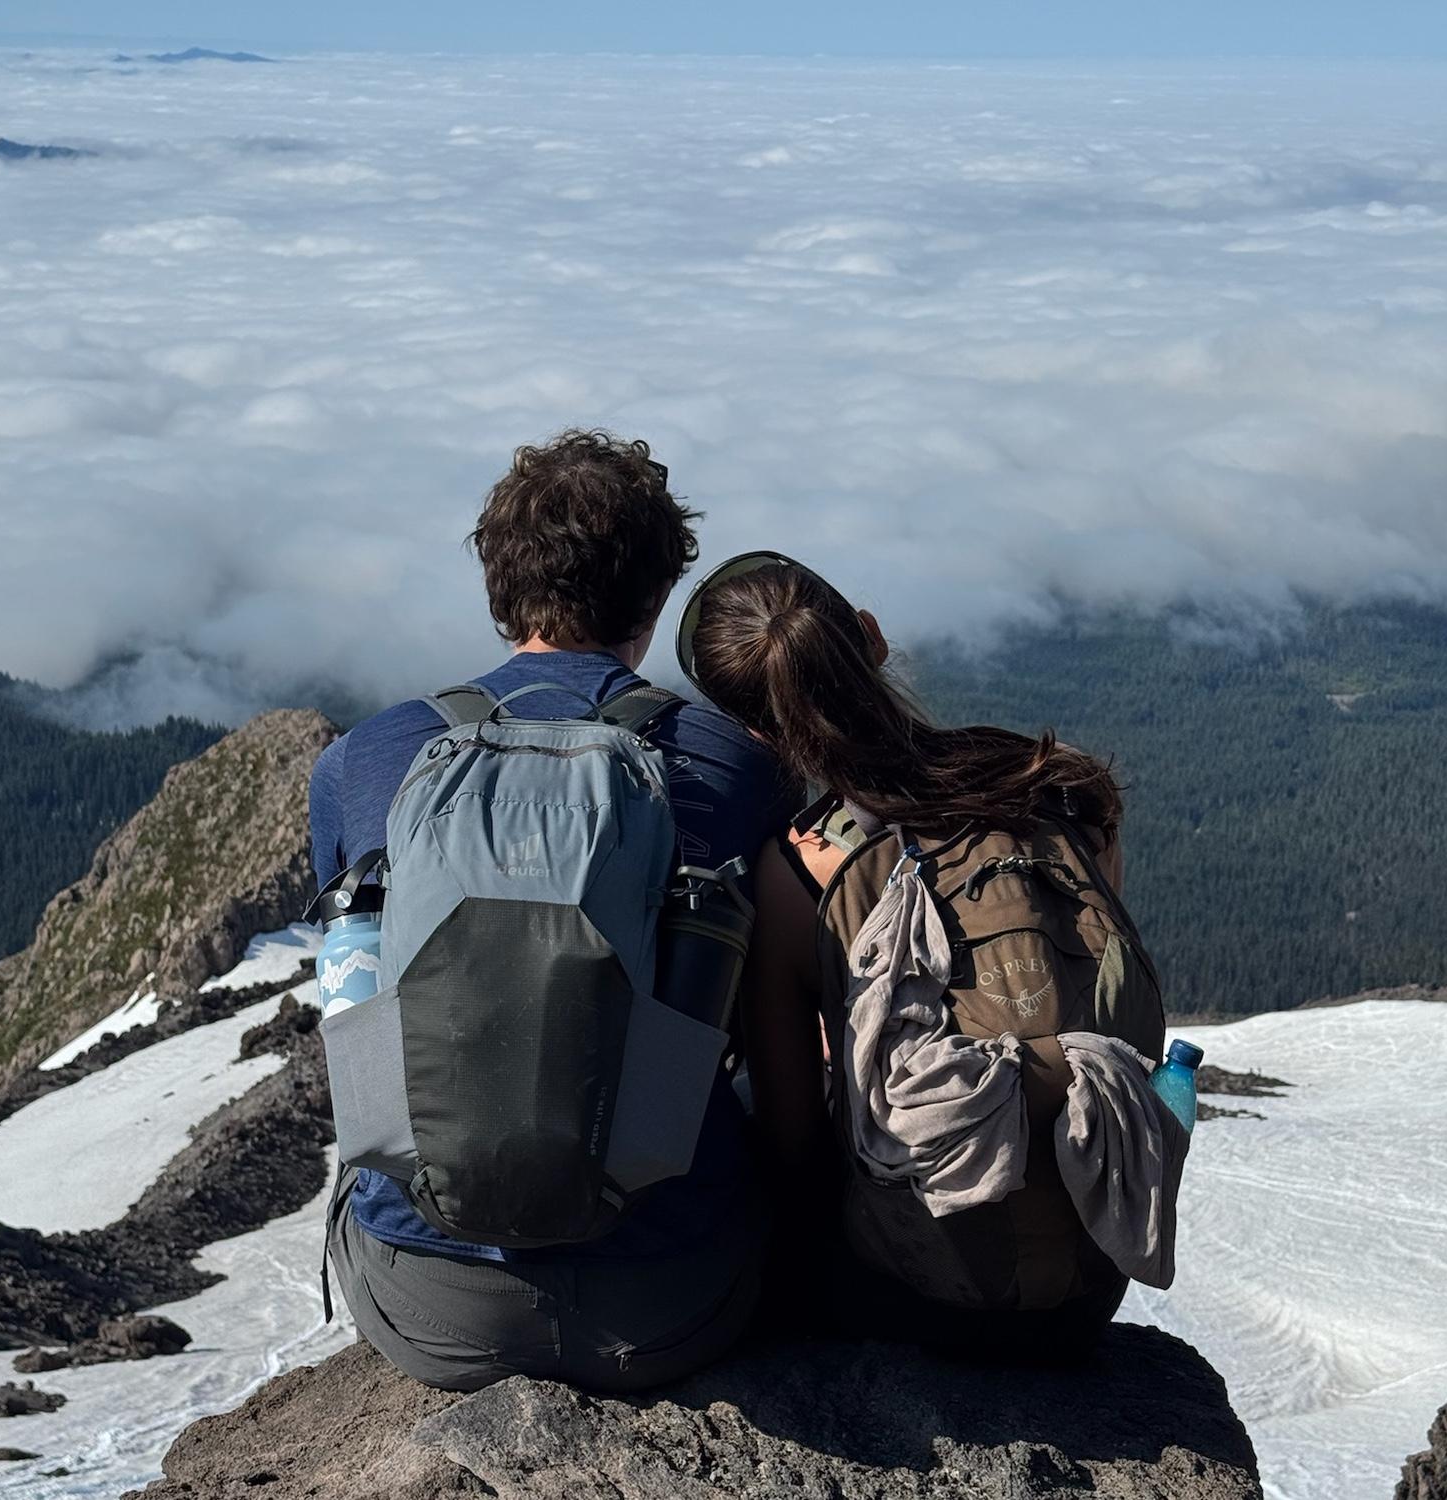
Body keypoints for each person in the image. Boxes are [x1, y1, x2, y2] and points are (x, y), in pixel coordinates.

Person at [309, 432, 791, 1392]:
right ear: (654, 603)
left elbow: (353, 984)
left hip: (430, 1305)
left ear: (500, 591)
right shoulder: (736, 766)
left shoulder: (366, 759)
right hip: (670, 1302)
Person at [679, 552, 1159, 1357]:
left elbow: (795, 1151)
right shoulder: (1065, 786)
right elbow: (1093, 1001)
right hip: (1097, 1271)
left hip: (915, 1299)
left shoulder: (798, 871)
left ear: (754, 727)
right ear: (872, 636)